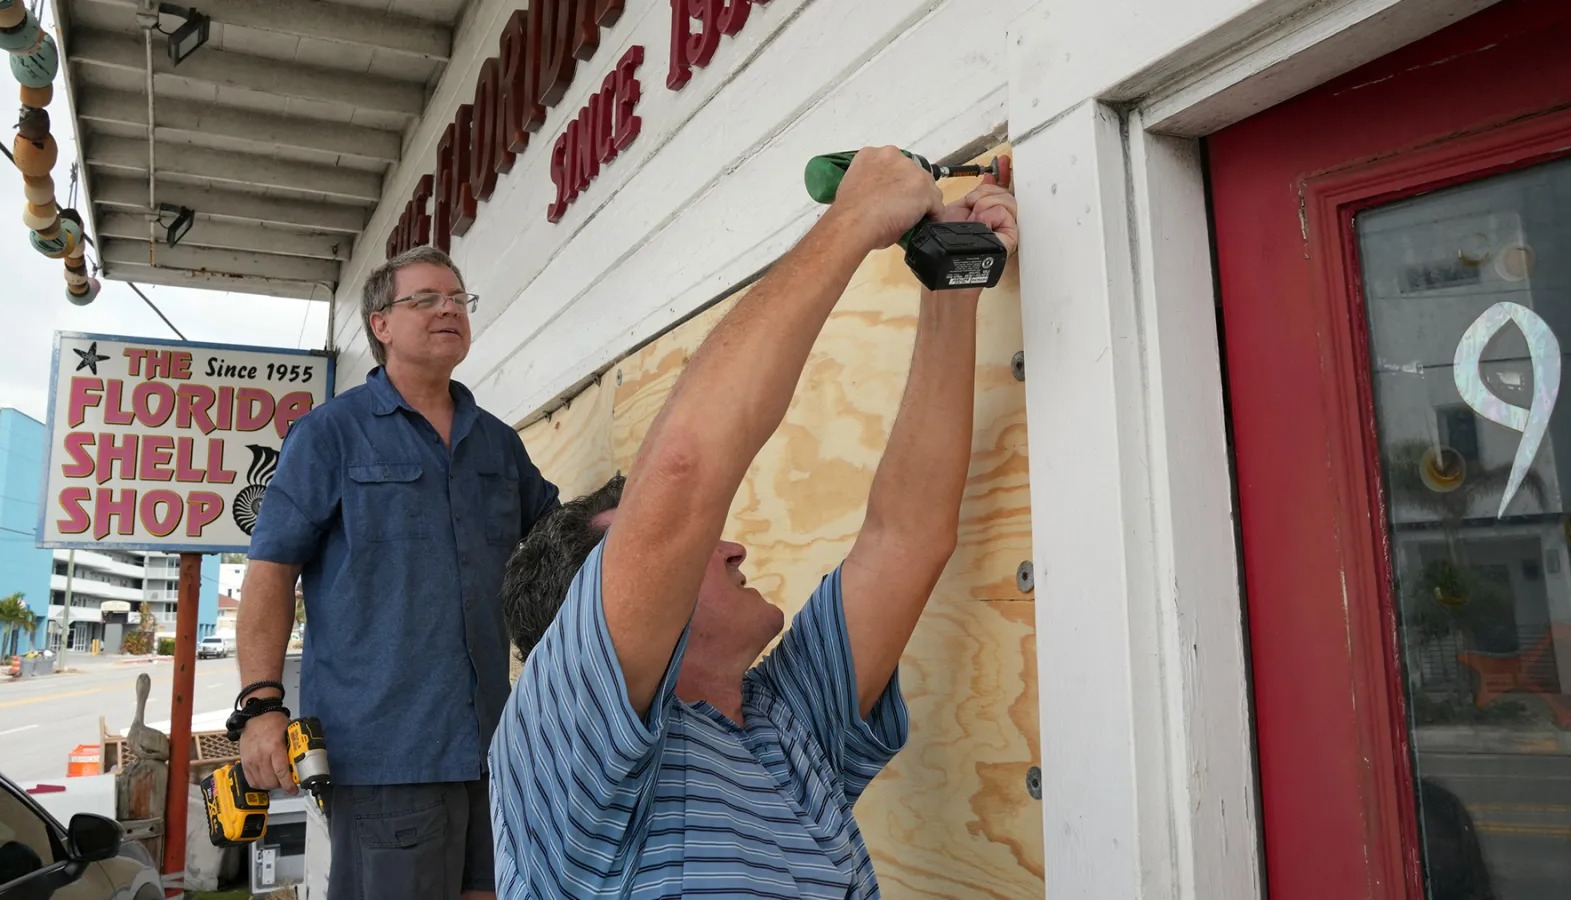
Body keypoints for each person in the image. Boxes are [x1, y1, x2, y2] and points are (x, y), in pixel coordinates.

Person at [489, 147, 1019, 897]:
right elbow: (681, 473)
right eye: (695, 548)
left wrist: (952, 281)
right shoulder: (562, 753)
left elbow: (906, 539)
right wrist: (856, 216)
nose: (731, 544)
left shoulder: (784, 715)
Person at [236, 245, 560, 900]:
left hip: (494, 748)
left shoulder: (497, 444)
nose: (449, 309)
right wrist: (262, 706)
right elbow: (271, 571)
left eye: (458, 299)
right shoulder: (329, 435)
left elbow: (561, 540)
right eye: (426, 299)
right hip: (385, 754)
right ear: (381, 324)